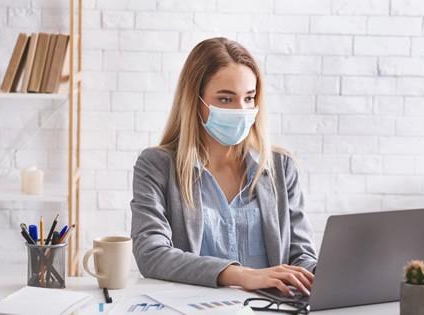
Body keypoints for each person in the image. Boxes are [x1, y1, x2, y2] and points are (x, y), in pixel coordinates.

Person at [130, 37, 317, 297]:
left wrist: (325, 272)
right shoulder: (156, 166)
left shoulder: (280, 167)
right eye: (226, 99)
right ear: (195, 102)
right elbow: (152, 253)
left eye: (249, 98)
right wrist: (243, 275)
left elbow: (300, 255)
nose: (241, 110)